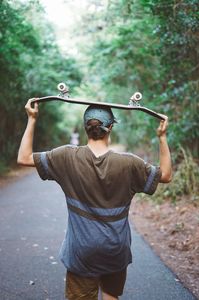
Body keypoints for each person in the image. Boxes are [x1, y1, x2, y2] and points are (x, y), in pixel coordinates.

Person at [17, 99, 172, 300]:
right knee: (110, 296)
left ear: (85, 128)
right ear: (110, 128)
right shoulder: (129, 163)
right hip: (116, 250)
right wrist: (162, 137)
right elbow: (166, 175)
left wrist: (31, 118)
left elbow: (24, 158)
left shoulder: (66, 156)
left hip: (82, 252)